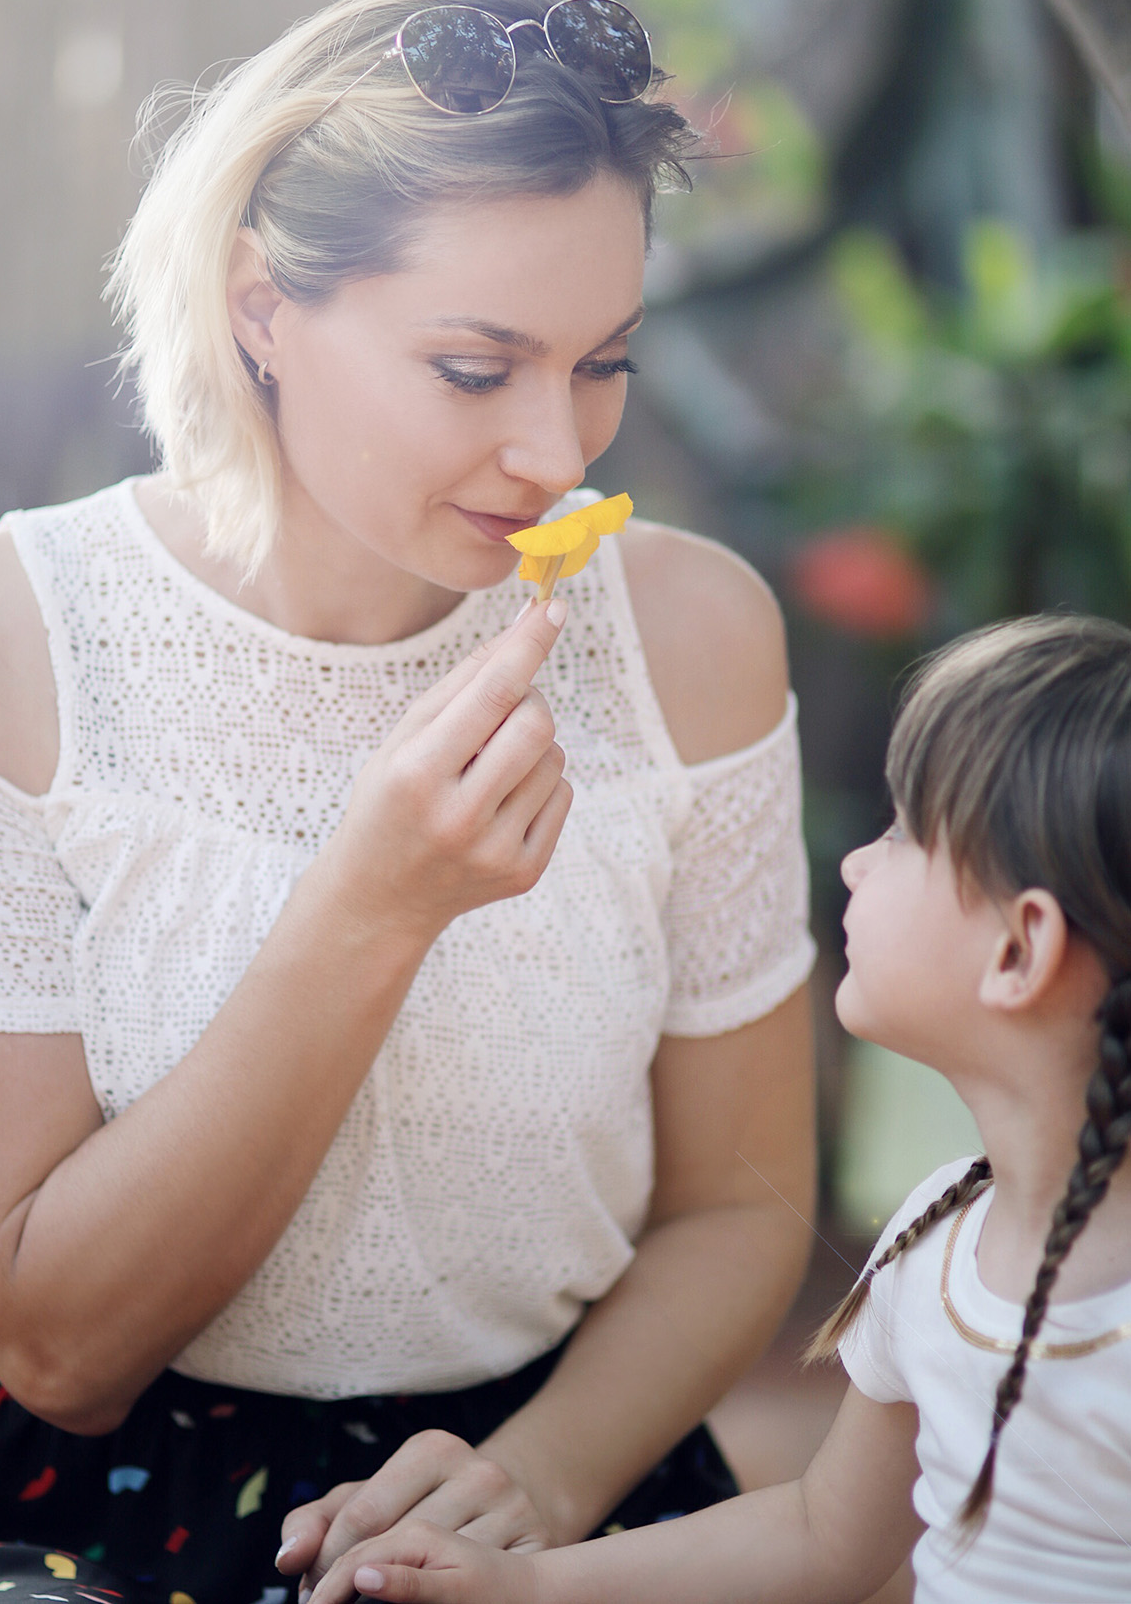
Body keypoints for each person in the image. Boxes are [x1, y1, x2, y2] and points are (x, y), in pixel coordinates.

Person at [0, 0, 817, 1604]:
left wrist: (538, 1481)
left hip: (565, 1491)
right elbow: (52, 1344)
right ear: (259, 307)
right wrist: (371, 907)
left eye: (604, 362)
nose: (555, 456)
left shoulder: (691, 637)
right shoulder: (32, 648)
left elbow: (738, 1208)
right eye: (472, 366)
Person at [308, 612, 1131, 1604]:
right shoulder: (941, 1233)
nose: (856, 864)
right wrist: (518, 1587)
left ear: (1019, 951)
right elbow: (822, 1533)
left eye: (904, 833)